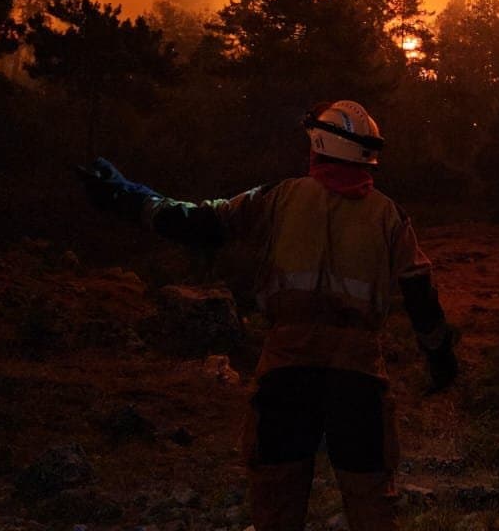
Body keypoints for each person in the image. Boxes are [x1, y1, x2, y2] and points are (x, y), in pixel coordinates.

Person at [77, 100, 457, 531]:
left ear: (318, 145)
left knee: (277, 499)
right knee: (372, 503)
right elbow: (420, 290)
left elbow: (200, 221)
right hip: (358, 378)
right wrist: (440, 359)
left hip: (287, 372)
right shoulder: (389, 215)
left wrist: (127, 197)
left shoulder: (278, 198)